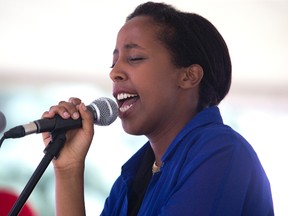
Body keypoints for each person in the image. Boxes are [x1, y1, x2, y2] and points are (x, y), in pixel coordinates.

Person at [42, 2, 274, 215]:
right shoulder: (130, 180)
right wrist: (69, 170)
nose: (114, 72)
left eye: (134, 58)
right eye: (113, 63)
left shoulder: (221, 151)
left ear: (188, 76)